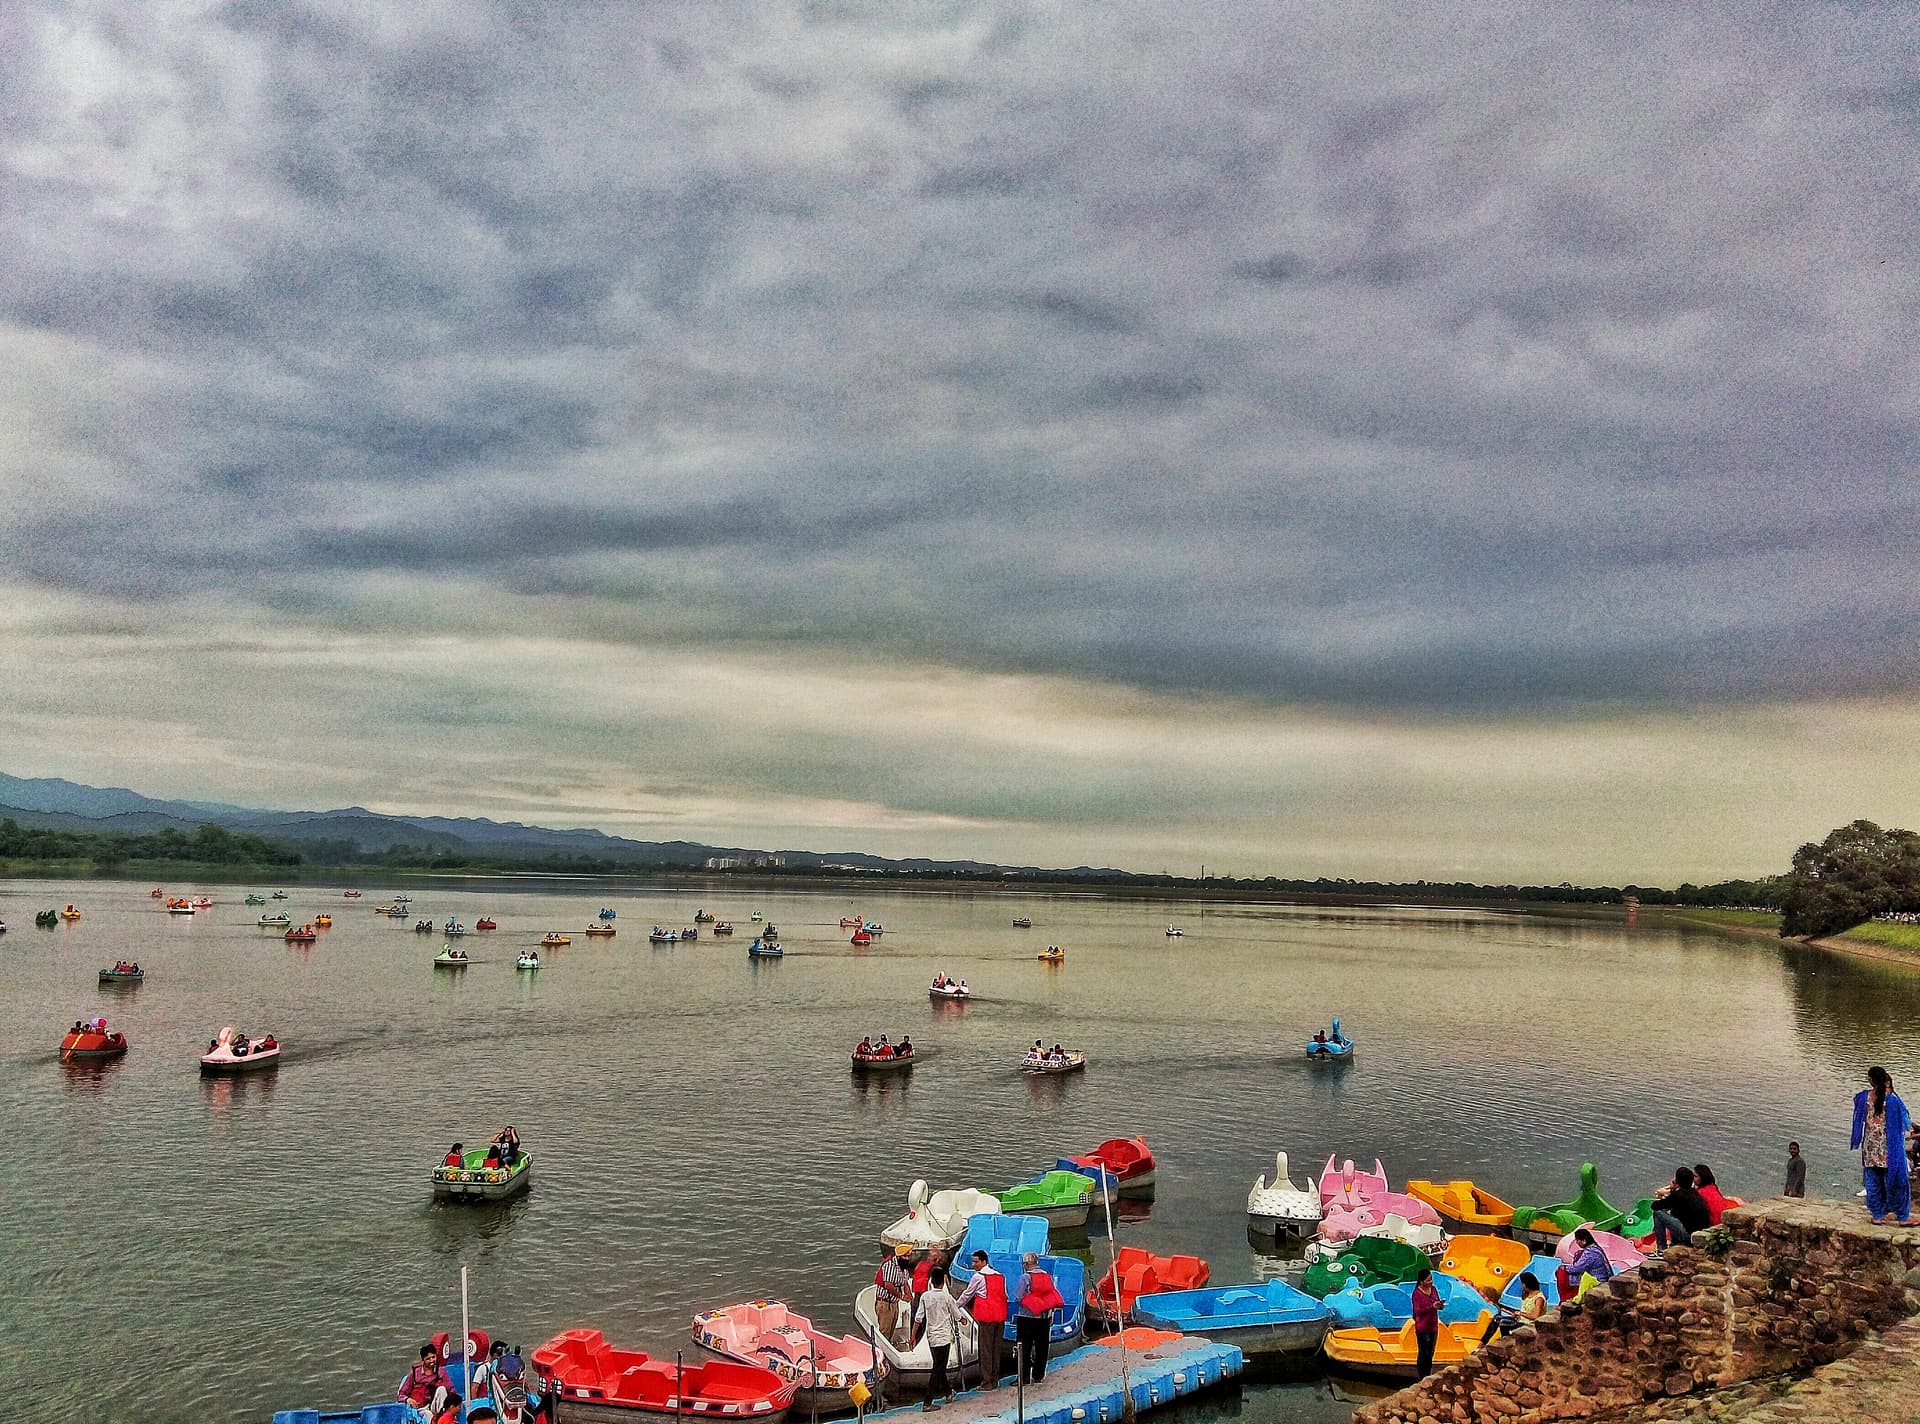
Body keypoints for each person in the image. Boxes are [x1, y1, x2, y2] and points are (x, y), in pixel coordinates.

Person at [1852, 1065, 1914, 1225]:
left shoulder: (1863, 1098)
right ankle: (1903, 1216)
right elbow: (1905, 1123)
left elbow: (1859, 1113)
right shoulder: (1893, 1099)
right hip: (1889, 1147)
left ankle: (1877, 1215)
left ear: (1871, 1080)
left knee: (1873, 1181)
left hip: (1870, 1146)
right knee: (1897, 1180)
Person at [954, 1249, 1006, 1388]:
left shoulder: (978, 1277)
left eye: (976, 1261)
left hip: (987, 1316)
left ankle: (987, 1381)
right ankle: (995, 1379)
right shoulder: (1000, 1276)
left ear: (984, 1262)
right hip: (1000, 1316)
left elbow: (967, 1294)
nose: (973, 1264)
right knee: (996, 1349)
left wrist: (955, 1306)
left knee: (986, 1350)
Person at [913, 1265, 962, 1410]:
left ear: (931, 1281)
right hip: (944, 1337)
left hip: (931, 1337)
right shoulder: (947, 1298)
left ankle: (948, 1393)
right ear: (943, 1282)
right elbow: (957, 1315)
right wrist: (963, 1320)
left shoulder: (925, 1296)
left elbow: (918, 1318)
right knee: (939, 1369)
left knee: (938, 1365)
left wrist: (913, 1336)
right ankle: (927, 1402)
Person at [1015, 1251, 1064, 1383]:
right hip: (1044, 1318)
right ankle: (1038, 1375)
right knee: (1042, 1347)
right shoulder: (1047, 1276)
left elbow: (1018, 1296)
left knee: (1024, 1348)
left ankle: (1024, 1378)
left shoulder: (1025, 1277)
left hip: (1027, 1318)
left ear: (1026, 1264)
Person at [1650, 1167, 1711, 1254]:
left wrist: (1672, 1189)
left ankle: (1661, 1249)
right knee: (1675, 1213)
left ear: (1677, 1181)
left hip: (1688, 1236)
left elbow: (1654, 1206)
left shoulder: (1679, 1195)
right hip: (1700, 1234)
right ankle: (1674, 1243)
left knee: (1658, 1213)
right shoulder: (1694, 1193)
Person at [1478, 1271, 1546, 1344]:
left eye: (1523, 1284)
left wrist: (1521, 1313)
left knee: (1503, 1323)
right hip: (1521, 1320)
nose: (1522, 1286)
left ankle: (1506, 1342)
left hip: (1528, 1323)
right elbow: (1526, 1310)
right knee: (1496, 1319)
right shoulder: (1528, 1295)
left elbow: (1535, 1316)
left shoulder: (1539, 1298)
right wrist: (1518, 1314)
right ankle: (1483, 1342)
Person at [397, 1343, 460, 1415]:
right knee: (428, 1414)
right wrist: (408, 1399)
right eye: (428, 1359)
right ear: (423, 1360)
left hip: (435, 1406)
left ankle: (443, 1417)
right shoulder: (414, 1374)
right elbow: (401, 1395)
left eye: (433, 1357)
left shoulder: (441, 1371)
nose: (432, 1360)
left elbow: (451, 1390)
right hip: (420, 1408)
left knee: (441, 1389)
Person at [1556, 1227, 1615, 1302]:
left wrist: (1565, 1268)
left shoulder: (1591, 1252)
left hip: (1598, 1280)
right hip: (1600, 1279)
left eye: (1578, 1240)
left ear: (1584, 1241)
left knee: (1561, 1273)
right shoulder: (1594, 1249)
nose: (1577, 1243)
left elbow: (1578, 1268)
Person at [875, 1244, 913, 1344]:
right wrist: (902, 1297)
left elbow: (905, 1282)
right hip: (885, 1304)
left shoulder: (903, 1268)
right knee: (885, 1331)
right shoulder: (889, 1266)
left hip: (894, 1303)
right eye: (905, 1256)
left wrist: (909, 1296)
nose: (907, 1258)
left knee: (891, 1329)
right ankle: (881, 1352)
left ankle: (889, 1345)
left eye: (908, 1256)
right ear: (899, 1256)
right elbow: (888, 1285)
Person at [1410, 1267, 1441, 1378]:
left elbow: (1436, 1301)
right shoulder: (1416, 1294)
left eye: (1431, 1279)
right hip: (1422, 1327)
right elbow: (1417, 1311)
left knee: (1430, 1353)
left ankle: (1428, 1375)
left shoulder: (1433, 1290)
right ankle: (1421, 1376)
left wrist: (1438, 1305)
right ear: (1421, 1281)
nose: (1430, 1282)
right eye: (1427, 1280)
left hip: (1433, 1326)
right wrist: (1431, 1307)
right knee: (1423, 1353)